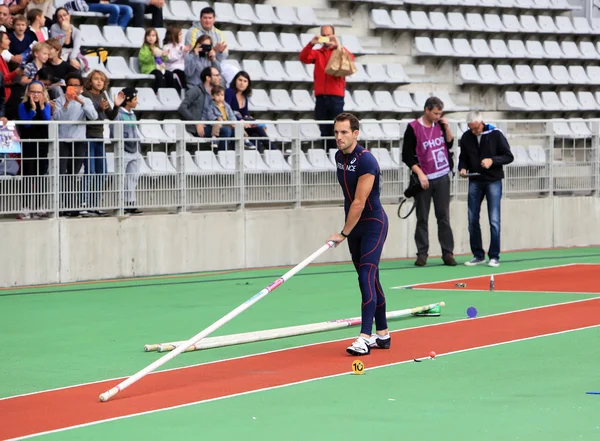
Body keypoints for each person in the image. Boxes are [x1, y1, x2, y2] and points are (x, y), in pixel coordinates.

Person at [326, 113, 390, 356]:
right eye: (336, 132)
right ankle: (382, 334)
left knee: (366, 276)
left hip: (373, 223)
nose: (339, 137)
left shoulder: (366, 161)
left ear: (355, 133)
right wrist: (348, 230)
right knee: (371, 279)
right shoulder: (338, 157)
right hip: (355, 227)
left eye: (344, 132)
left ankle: (364, 337)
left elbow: (359, 202)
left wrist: (343, 232)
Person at [402, 96, 456, 267]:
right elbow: (406, 155)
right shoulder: (413, 128)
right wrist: (420, 174)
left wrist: (447, 127)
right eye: (435, 113)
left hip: (442, 177)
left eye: (440, 113)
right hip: (424, 179)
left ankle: (447, 253)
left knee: (444, 217)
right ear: (426, 110)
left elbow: (449, 143)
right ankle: (422, 253)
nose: (437, 116)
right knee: (422, 218)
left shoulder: (440, 124)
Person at [459, 111, 514, 267]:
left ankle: (494, 255)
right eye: (471, 128)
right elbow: (463, 157)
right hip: (474, 180)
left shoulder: (495, 134)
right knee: (472, 219)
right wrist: (462, 168)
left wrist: (492, 160)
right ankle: (478, 254)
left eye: (476, 128)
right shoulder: (466, 137)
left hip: (493, 180)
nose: (474, 131)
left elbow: (508, 156)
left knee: (494, 219)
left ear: (482, 123)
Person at [299, 25, 354, 151]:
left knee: (337, 129)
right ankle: (327, 154)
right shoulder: (318, 53)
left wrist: (337, 44)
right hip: (321, 97)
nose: (327, 38)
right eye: (324, 35)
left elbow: (350, 58)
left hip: (336, 97)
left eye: (329, 35)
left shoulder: (339, 51)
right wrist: (311, 44)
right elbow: (304, 58)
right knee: (324, 129)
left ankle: (337, 155)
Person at [17, 80, 51, 219]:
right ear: (28, 92)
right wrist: (32, 109)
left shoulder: (46, 105)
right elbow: (26, 124)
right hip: (28, 144)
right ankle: (25, 207)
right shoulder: (22, 106)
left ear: (43, 93)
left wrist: (41, 107)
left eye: (38, 92)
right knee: (27, 175)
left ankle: (39, 206)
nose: (35, 95)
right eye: (33, 91)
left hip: (42, 145)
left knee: (40, 175)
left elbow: (47, 120)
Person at [115, 87, 142, 214]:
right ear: (128, 100)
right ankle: (121, 203)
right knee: (122, 178)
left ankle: (130, 202)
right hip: (124, 150)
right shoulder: (119, 114)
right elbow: (114, 131)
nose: (137, 101)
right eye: (135, 99)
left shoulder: (133, 115)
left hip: (134, 150)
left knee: (132, 177)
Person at [225, 70, 268, 151]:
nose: (242, 83)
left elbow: (244, 114)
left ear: (248, 84)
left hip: (242, 124)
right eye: (240, 80)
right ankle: (273, 150)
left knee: (257, 132)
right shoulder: (229, 92)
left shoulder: (245, 96)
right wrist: (240, 120)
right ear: (235, 81)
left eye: (245, 81)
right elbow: (226, 111)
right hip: (232, 124)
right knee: (257, 131)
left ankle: (265, 153)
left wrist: (248, 118)